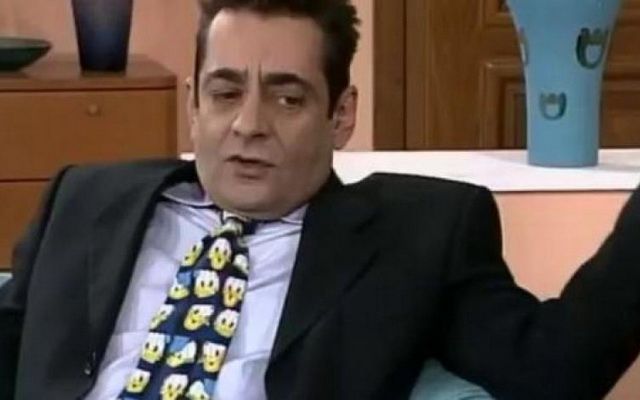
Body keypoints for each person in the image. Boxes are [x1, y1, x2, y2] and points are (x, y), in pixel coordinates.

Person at [2, 0, 640, 399]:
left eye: (288, 98)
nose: (249, 125)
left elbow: (554, 369)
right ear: (194, 103)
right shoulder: (84, 200)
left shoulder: (418, 235)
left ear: (341, 115)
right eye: (225, 93)